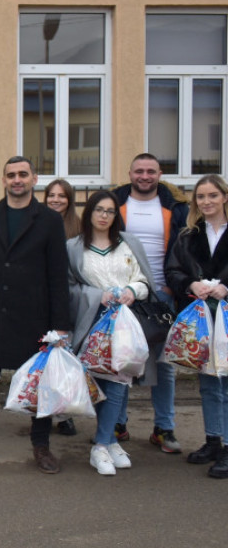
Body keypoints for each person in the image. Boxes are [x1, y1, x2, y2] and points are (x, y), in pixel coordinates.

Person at [0, 156, 71, 474]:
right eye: (11, 175)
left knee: (39, 382)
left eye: (23, 174)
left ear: (34, 179)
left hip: (34, 315)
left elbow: (58, 276)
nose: (17, 180)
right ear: (4, 180)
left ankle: (41, 444)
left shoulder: (49, 220)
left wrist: (60, 326)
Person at [67, 191, 156, 476]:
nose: (104, 216)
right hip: (92, 321)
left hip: (125, 324)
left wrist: (131, 290)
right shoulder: (73, 247)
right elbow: (68, 287)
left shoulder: (128, 243)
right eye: (99, 210)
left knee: (119, 380)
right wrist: (97, 295)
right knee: (98, 382)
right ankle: (109, 441)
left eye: (110, 211)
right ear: (89, 212)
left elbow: (144, 281)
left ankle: (102, 445)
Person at [114, 153, 188, 453]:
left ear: (160, 174)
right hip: (126, 294)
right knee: (122, 361)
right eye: (139, 171)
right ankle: (117, 423)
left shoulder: (176, 207)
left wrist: (172, 287)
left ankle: (164, 428)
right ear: (129, 173)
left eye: (151, 171)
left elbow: (182, 248)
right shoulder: (115, 202)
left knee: (164, 365)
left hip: (163, 295)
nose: (144, 176)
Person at [165, 174, 228, 478]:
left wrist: (226, 286)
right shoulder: (188, 235)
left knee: (227, 383)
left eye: (212, 195)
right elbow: (173, 270)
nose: (206, 201)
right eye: (201, 197)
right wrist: (191, 284)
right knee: (208, 383)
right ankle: (213, 440)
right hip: (202, 318)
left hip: (226, 316)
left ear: (224, 197)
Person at [45, 177, 81, 437]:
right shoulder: (39, 223)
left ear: (69, 200)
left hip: (72, 299)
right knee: (47, 358)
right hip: (43, 299)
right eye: (51, 195)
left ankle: (65, 414)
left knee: (67, 358)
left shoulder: (77, 227)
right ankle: (45, 409)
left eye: (61, 195)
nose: (56, 200)